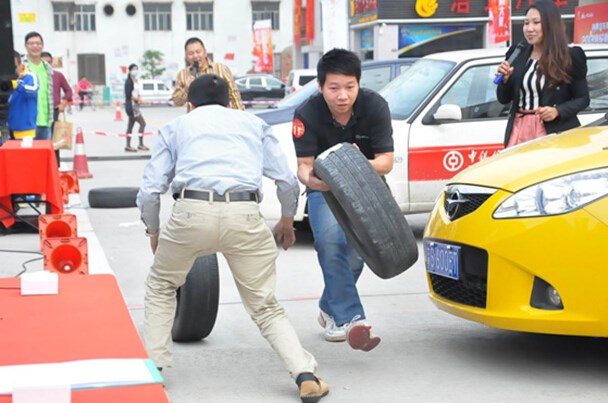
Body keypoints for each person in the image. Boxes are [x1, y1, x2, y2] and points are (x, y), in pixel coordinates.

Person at [137, 74, 329, 403]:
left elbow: (150, 191)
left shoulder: (176, 127)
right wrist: (286, 221)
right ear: (230, 103)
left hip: (191, 211)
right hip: (244, 213)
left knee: (162, 286)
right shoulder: (252, 123)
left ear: (190, 105)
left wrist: (154, 231)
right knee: (265, 306)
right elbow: (285, 180)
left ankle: (153, 372)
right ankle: (305, 376)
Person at [291, 49, 394, 352]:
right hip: (325, 188)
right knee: (331, 241)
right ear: (321, 86)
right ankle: (352, 319)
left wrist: (353, 163)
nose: (342, 95)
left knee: (358, 252)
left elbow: (386, 162)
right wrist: (314, 181)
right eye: (334, 88)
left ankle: (329, 307)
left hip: (366, 185)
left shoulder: (375, 106)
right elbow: (304, 167)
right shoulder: (306, 114)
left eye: (350, 87)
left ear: (358, 84)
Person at [496, 0, 589, 148]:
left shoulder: (571, 56)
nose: (529, 28)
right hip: (519, 127)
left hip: (553, 130)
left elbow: (583, 98)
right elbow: (503, 99)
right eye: (526, 23)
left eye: (536, 22)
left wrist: (558, 111)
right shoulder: (517, 52)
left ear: (550, 24)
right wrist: (505, 81)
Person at [171, 37, 244, 110]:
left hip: (220, 117)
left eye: (198, 52)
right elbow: (177, 102)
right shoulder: (183, 74)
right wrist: (186, 88)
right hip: (196, 119)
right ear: (186, 56)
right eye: (191, 53)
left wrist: (241, 115)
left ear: (205, 52)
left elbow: (235, 95)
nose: (195, 56)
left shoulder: (221, 69)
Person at [41, 51, 73, 167]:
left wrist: (63, 104)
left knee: (55, 140)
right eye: (44, 62)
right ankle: (42, 165)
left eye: (49, 62)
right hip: (39, 113)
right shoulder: (34, 75)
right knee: (41, 140)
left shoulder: (58, 76)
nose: (47, 64)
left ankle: (55, 166)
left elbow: (69, 91)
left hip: (54, 112)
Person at [23, 31, 53, 140]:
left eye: (38, 43)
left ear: (42, 45)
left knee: (44, 156)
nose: (35, 46)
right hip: (26, 123)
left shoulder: (48, 68)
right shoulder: (21, 66)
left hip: (46, 121)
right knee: (27, 156)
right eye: (31, 43)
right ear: (25, 46)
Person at [8, 51, 38, 139]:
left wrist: (17, 85)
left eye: (13, 66)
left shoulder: (30, 77)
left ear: (20, 65)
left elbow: (32, 91)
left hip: (24, 128)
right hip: (4, 127)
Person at [124, 64, 149, 152]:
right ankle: (140, 144)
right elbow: (129, 95)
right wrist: (139, 99)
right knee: (143, 123)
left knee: (130, 126)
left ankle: (128, 145)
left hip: (136, 105)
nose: (136, 71)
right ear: (130, 70)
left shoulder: (136, 81)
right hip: (132, 106)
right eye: (134, 69)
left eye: (137, 69)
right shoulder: (128, 82)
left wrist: (140, 99)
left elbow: (136, 93)